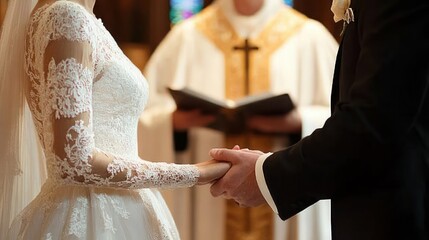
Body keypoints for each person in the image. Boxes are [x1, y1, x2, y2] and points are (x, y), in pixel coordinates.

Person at [0, 0, 230, 239]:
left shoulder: (74, 16)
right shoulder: (66, 16)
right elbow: (72, 162)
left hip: (109, 207)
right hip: (94, 214)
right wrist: (194, 174)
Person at [209, 0, 429, 239]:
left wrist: (266, 175)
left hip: (399, 219)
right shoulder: (191, 34)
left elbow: (373, 122)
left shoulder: (309, 32)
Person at [142, 0, 338, 239]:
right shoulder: (187, 37)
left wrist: (300, 121)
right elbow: (140, 118)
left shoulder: (310, 37)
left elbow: (343, 122)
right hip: (208, 210)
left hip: (285, 204)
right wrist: (173, 123)